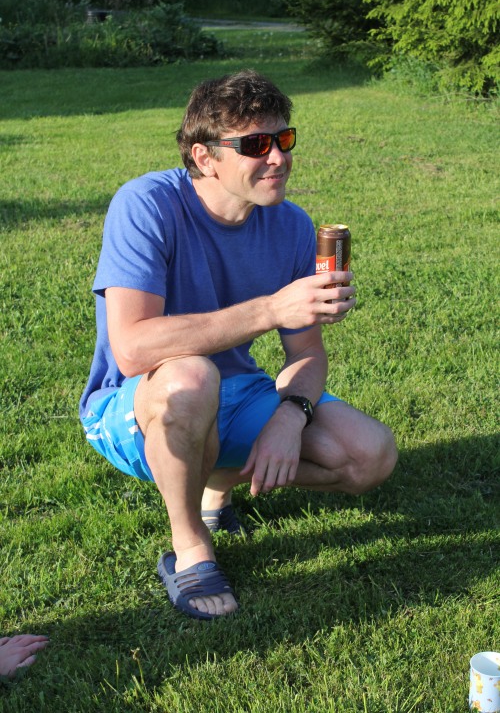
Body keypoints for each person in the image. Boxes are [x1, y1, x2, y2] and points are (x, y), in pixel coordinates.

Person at [79, 69, 397, 620]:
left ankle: (216, 482)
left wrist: (289, 418)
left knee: (370, 455)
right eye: (256, 145)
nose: (278, 157)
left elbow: (307, 354)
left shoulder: (291, 225)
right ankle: (190, 547)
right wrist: (271, 309)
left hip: (235, 392)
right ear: (205, 158)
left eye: (284, 139)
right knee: (192, 376)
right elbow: (131, 348)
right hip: (135, 402)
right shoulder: (146, 205)